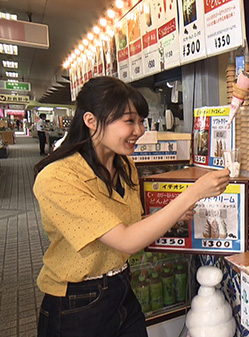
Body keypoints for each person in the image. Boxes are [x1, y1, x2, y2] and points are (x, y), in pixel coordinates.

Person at [33, 76, 231, 337]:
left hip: (122, 289)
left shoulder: (124, 166)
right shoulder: (57, 178)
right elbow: (126, 240)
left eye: (141, 121)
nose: (139, 130)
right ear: (91, 121)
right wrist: (193, 193)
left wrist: (170, 216)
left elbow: (132, 225)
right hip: (76, 303)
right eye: (129, 121)